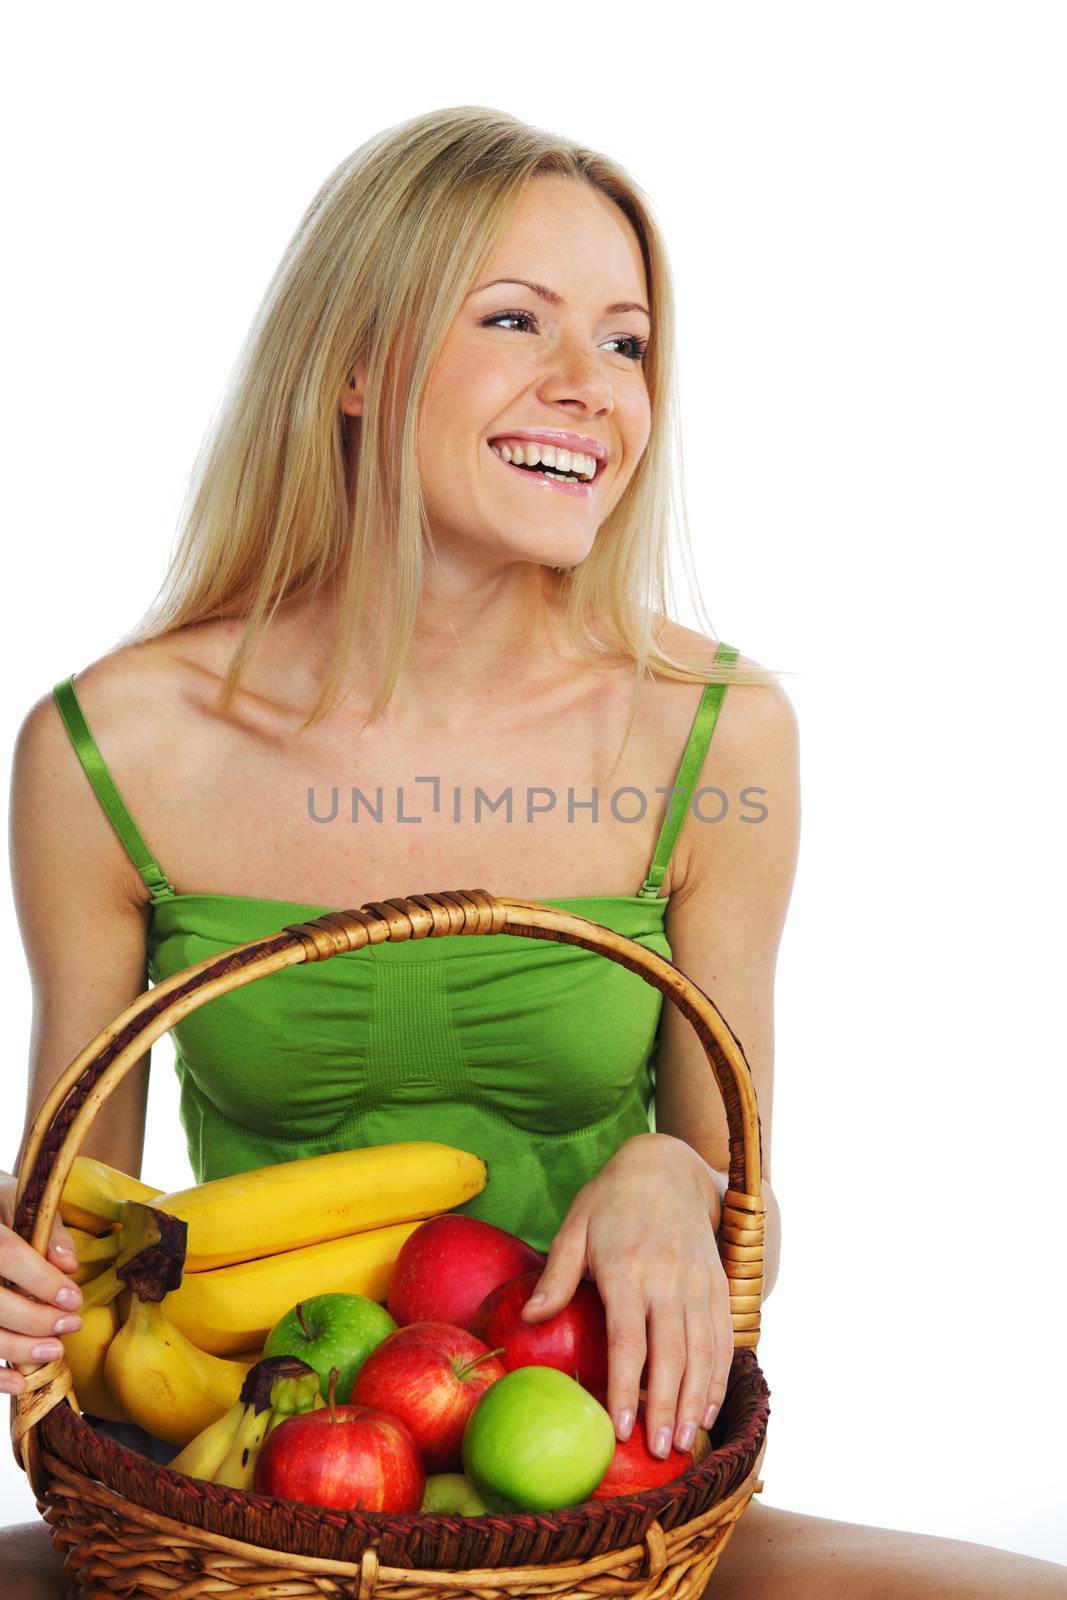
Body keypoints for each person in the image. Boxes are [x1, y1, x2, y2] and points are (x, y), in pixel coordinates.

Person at [1, 107, 1062, 1599]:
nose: (593, 392)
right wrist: (18, 1284)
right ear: (357, 366)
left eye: (627, 345)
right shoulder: (110, 751)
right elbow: (74, 1250)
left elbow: (742, 1220)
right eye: (517, 321)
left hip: (598, 1515)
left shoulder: (715, 735)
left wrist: (672, 1177)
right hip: (237, 1505)